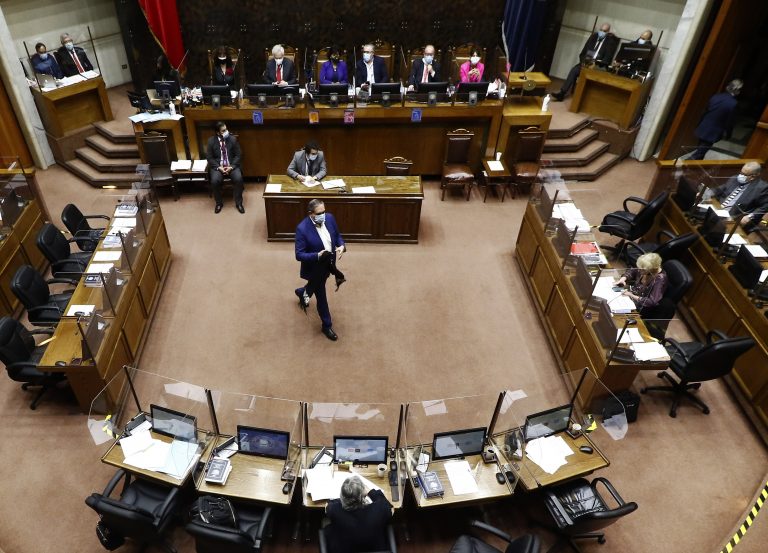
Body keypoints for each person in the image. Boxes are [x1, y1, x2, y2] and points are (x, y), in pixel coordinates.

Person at [295, 199, 346, 341]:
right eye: (320, 213)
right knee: (321, 295)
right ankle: (326, 325)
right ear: (311, 214)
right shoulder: (302, 229)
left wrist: (342, 245)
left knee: (314, 287)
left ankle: (302, 292)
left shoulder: (330, 218)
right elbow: (299, 255)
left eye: (324, 211)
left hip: (329, 264)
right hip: (315, 268)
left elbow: (337, 236)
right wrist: (317, 255)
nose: (324, 215)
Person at [552, 23, 619, 101]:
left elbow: (607, 59)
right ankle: (562, 93)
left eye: (604, 31)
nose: (601, 32)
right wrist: (584, 63)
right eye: (600, 30)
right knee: (574, 70)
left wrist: (596, 64)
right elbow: (582, 53)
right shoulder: (593, 37)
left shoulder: (610, 42)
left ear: (608, 32)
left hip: (598, 66)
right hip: (586, 63)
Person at [325, 476, 392, 553]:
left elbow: (327, 506)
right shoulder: (379, 508)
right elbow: (390, 508)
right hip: (374, 548)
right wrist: (370, 492)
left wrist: (344, 498)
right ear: (363, 496)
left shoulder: (334, 510)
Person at [703, 161, 768, 231]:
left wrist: (749, 216)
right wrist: (708, 192)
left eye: (744, 174)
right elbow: (723, 188)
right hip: (718, 208)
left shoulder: (762, 188)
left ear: (753, 177)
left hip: (734, 217)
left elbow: (764, 206)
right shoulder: (735, 178)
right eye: (741, 172)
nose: (740, 175)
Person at [688, 79, 743, 161]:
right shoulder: (733, 103)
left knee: (700, 151)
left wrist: (699, 124)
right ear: (737, 90)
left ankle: (694, 168)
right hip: (713, 132)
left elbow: (705, 111)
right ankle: (679, 167)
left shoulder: (716, 96)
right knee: (699, 153)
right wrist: (728, 134)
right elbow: (729, 122)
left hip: (703, 127)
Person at [205, 121, 245, 214]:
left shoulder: (233, 139)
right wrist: (219, 167)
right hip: (218, 167)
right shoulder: (211, 141)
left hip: (232, 165)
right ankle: (219, 203)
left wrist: (231, 166)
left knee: (238, 179)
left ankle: (239, 203)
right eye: (224, 130)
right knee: (215, 181)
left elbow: (239, 155)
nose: (227, 131)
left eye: (226, 129)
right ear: (218, 133)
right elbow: (209, 158)